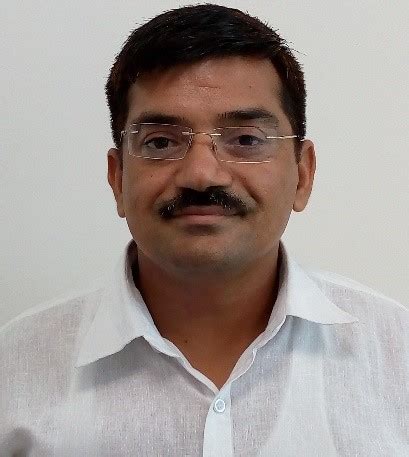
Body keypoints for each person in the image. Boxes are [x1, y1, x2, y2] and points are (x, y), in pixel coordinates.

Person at [1, 4, 408, 456]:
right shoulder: (14, 369)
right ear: (117, 179)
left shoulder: (396, 355)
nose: (201, 174)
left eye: (246, 140)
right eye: (161, 142)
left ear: (303, 174)